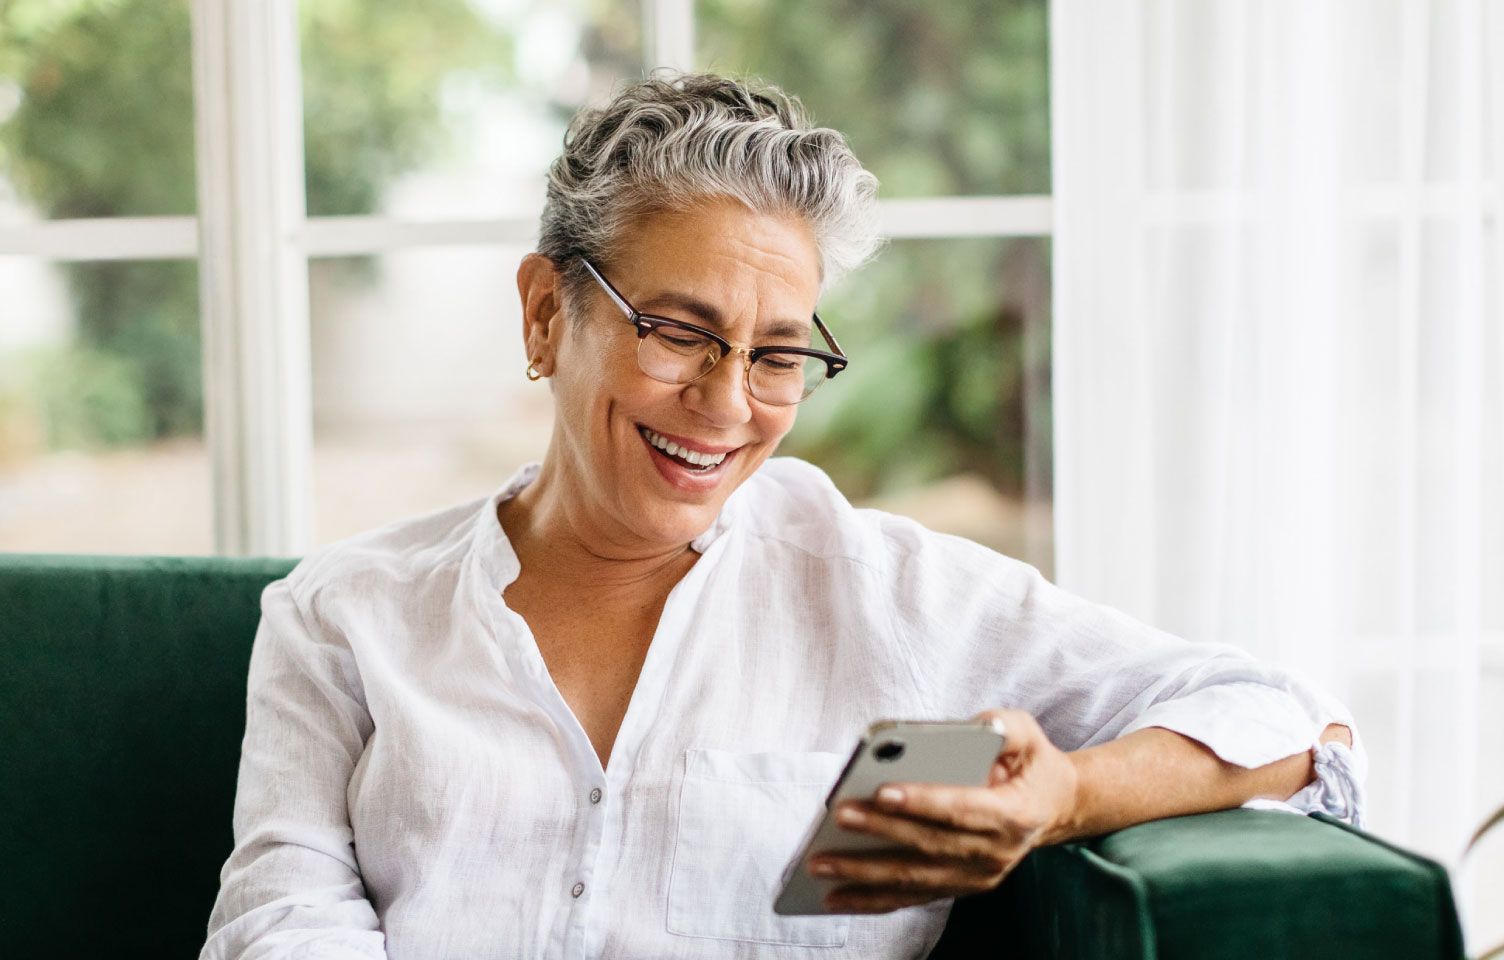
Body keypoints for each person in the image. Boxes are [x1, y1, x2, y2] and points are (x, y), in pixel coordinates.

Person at [200, 73, 1363, 960]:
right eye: (678, 331)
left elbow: (1288, 719)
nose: (725, 403)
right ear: (547, 313)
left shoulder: (888, 595)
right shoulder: (343, 615)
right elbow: (278, 918)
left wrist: (1066, 793)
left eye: (778, 355)